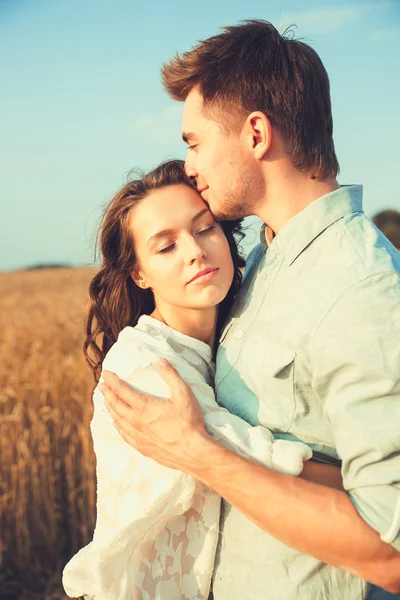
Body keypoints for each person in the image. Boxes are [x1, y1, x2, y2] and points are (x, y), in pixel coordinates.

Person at [100, 20, 400, 600]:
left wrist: (199, 452)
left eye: (195, 142)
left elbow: (391, 551)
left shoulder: (363, 290)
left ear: (256, 134)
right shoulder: (260, 257)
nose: (189, 165)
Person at [62, 160, 315, 600]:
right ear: (139, 273)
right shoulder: (146, 366)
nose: (195, 251)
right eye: (166, 247)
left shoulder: (223, 339)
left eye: (204, 229)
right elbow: (262, 465)